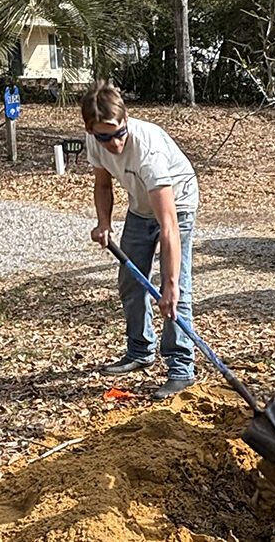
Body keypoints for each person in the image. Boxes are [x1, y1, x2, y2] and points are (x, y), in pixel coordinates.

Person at [83, 81, 199, 399]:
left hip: (178, 205)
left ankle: (181, 367)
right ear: (91, 131)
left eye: (118, 133)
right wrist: (103, 222)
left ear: (126, 121)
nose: (113, 143)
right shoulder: (95, 142)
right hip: (139, 206)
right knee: (131, 281)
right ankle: (140, 351)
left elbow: (169, 225)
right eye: (104, 136)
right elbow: (103, 185)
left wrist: (171, 284)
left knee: (177, 291)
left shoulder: (148, 151)